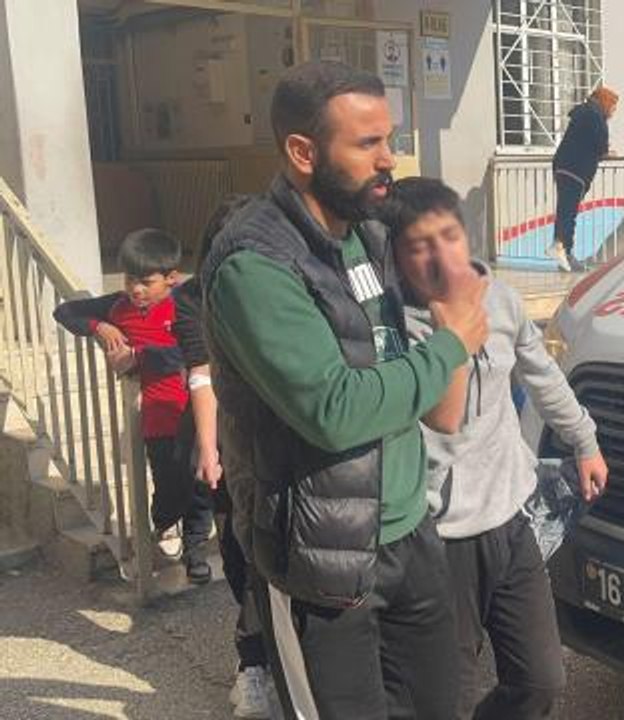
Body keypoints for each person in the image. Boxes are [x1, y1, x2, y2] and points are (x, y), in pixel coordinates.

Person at [201, 60, 488, 720]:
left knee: (440, 705)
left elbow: (404, 353)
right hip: (322, 560)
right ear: (303, 153)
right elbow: (334, 410)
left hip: (409, 530)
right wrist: (451, 346)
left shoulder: (367, 231)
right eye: (368, 143)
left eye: (391, 138)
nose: (390, 159)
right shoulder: (255, 266)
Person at [385, 176, 609, 720]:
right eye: (420, 245)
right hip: (439, 539)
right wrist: (454, 335)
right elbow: (445, 421)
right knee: (445, 699)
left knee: (541, 681)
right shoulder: (392, 329)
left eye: (450, 236)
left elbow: (544, 376)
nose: (442, 257)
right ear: (394, 256)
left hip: (510, 521)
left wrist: (585, 440)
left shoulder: (502, 300)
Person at [53, 229, 214, 584]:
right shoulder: (118, 306)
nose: (136, 289)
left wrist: (138, 356)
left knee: (199, 487)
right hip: (156, 417)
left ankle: (196, 550)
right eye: (130, 280)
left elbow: (183, 354)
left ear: (171, 278)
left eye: (146, 282)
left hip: (194, 413)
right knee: (169, 483)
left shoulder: (185, 304)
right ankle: (164, 522)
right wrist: (100, 326)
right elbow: (64, 311)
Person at [172, 194, 278, 719]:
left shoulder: (284, 284)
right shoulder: (195, 298)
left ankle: (259, 660)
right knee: (239, 555)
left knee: (266, 558)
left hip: (280, 442)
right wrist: (211, 447)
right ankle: (255, 663)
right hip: (227, 441)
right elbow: (202, 374)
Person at [550, 85, 618, 273]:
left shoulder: (583, 113)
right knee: (568, 214)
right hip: (576, 170)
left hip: (563, 166)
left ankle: (561, 253)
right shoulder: (596, 116)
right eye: (612, 107)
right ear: (605, 102)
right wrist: (608, 153)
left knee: (564, 212)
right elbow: (601, 146)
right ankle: (565, 254)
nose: (612, 113)